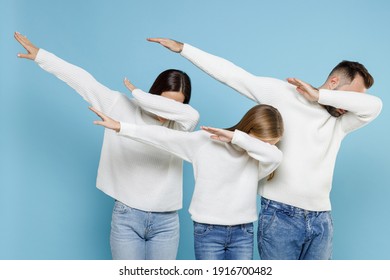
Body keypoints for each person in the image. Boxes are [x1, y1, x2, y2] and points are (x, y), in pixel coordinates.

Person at [146, 37, 383, 260]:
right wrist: (184, 49)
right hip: (280, 216)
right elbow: (234, 76)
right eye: (348, 97)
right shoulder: (284, 94)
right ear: (334, 82)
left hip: (321, 220)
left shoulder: (341, 121)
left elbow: (375, 106)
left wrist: (320, 96)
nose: (347, 106)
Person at [14, 32, 200, 260]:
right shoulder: (119, 106)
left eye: (176, 106)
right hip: (127, 216)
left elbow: (192, 116)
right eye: (162, 102)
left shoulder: (179, 127)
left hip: (167, 221)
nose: (166, 112)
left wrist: (140, 95)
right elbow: (84, 82)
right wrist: (42, 57)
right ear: (155, 93)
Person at [89, 96, 284, 260]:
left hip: (243, 232)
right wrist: (121, 127)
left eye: (271, 145)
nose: (267, 148)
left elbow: (276, 156)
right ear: (250, 129)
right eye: (265, 143)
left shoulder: (262, 158)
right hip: (208, 231)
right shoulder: (206, 142)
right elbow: (164, 137)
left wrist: (237, 138)